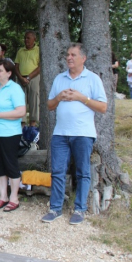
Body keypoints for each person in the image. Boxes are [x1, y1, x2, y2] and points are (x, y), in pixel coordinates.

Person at [41, 43, 107, 225]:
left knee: (83, 172)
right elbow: (49, 105)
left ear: (83, 58)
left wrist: (81, 98)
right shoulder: (59, 79)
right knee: (57, 171)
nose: (69, 58)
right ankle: (55, 209)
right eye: (68, 55)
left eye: (73, 55)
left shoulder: (92, 79)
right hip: (60, 133)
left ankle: (79, 209)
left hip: (83, 133)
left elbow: (103, 107)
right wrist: (58, 98)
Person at [0, 60, 26, 212]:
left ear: (9, 73)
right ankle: (3, 196)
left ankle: (14, 197)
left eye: (0, 70)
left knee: (10, 165)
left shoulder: (15, 89)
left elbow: (21, 112)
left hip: (9, 133)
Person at [14, 31, 40, 127]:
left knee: (34, 100)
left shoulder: (38, 50)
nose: (26, 40)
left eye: (28, 38)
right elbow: (16, 66)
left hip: (34, 78)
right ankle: (22, 124)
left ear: (34, 39)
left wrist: (29, 77)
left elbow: (40, 67)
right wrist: (21, 78)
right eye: (25, 38)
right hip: (21, 78)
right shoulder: (21, 51)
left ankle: (33, 124)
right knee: (21, 100)